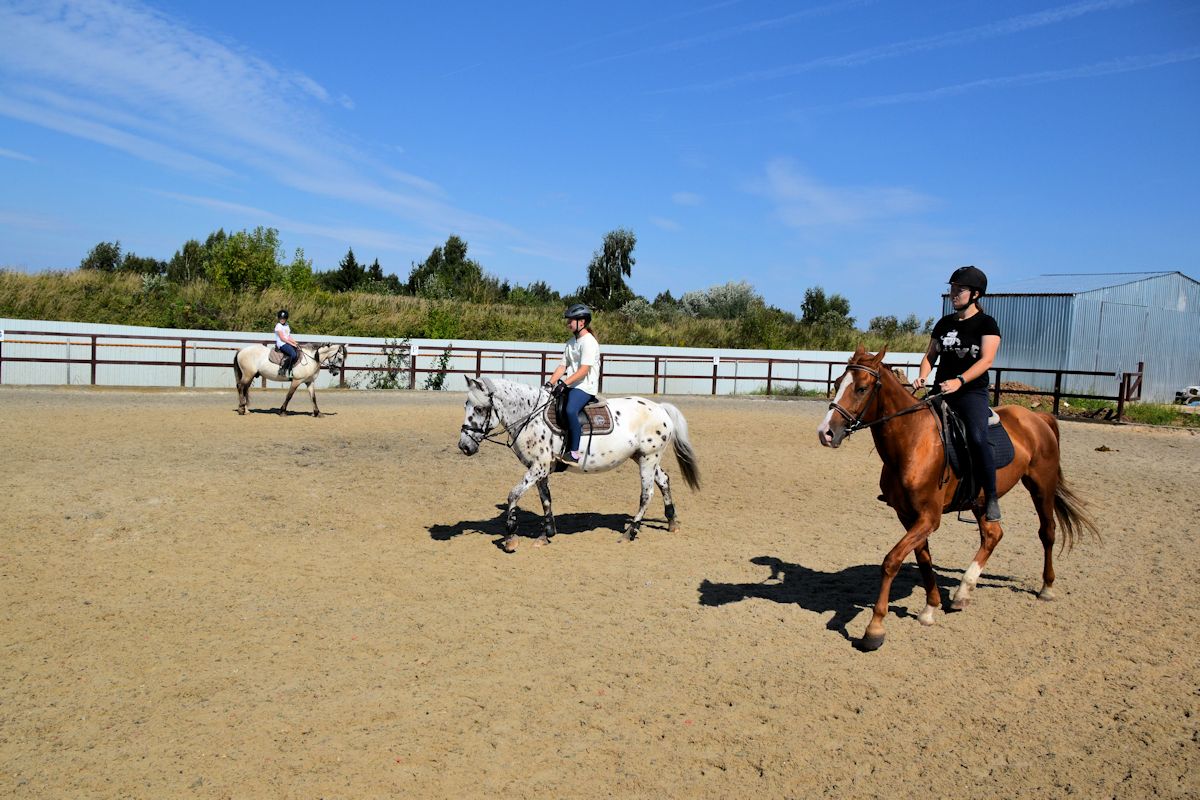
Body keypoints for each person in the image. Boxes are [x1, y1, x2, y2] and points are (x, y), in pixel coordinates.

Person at [912, 266, 1003, 521]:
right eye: (951, 289)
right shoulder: (943, 324)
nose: (953, 293)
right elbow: (930, 356)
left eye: (959, 289)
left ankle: (991, 498)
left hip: (970, 392)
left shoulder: (986, 324)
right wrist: (922, 375)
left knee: (976, 436)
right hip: (940, 390)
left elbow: (986, 361)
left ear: (975, 294)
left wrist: (960, 381)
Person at [546, 303, 600, 465]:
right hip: (572, 385)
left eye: (571, 321)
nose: (568, 323)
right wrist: (550, 383)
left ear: (581, 322)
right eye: (568, 321)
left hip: (585, 386)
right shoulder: (571, 342)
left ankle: (574, 451)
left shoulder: (589, 342)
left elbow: (584, 371)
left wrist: (564, 383)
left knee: (570, 410)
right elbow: (563, 366)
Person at [274, 309, 300, 375]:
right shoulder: (278, 326)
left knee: (298, 352)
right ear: (279, 318)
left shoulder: (286, 325)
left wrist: (295, 342)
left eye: (283, 318)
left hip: (286, 342)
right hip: (281, 344)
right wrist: (292, 344)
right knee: (293, 354)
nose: (282, 320)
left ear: (286, 319)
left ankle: (292, 368)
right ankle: (283, 369)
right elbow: (282, 338)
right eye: (281, 318)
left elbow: (288, 337)